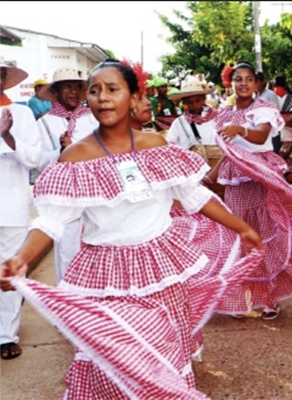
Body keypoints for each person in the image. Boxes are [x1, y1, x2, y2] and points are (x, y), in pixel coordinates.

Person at [0, 59, 263, 398]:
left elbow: (194, 195)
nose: (102, 98)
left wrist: (242, 228)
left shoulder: (155, 145)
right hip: (105, 275)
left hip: (161, 270)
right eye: (94, 91)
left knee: (163, 358)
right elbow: (51, 220)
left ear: (134, 97)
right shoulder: (76, 158)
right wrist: (22, 258)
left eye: (113, 89)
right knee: (114, 362)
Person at [207, 62, 292, 320]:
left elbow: (259, 137)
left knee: (264, 235)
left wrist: (241, 129)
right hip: (236, 180)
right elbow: (228, 151)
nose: (243, 83)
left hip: (259, 176)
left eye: (248, 79)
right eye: (238, 79)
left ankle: (269, 298)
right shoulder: (224, 114)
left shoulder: (264, 109)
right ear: (230, 83)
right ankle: (242, 298)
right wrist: (211, 175)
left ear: (257, 84)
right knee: (238, 237)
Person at [36, 66, 99, 283]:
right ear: (56, 92)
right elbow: (38, 161)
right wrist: (61, 153)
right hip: (64, 195)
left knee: (97, 244)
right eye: (66, 87)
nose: (72, 92)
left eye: (76, 87)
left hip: (94, 191)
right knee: (67, 250)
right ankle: (69, 304)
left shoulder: (93, 118)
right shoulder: (45, 123)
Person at [0, 58, 42, 359]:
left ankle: (6, 336)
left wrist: (8, 136)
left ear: (4, 78)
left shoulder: (21, 114)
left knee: (10, 273)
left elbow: (34, 160)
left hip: (11, 207)